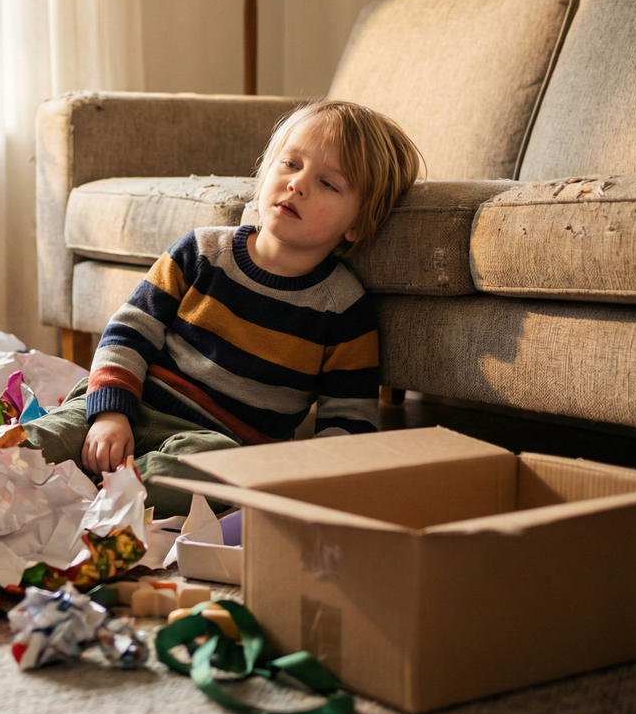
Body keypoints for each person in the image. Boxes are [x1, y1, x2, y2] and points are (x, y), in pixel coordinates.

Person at [22, 99, 423, 516]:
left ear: (356, 224)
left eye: (328, 184)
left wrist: (315, 491)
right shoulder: (201, 251)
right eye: (289, 164)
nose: (297, 184)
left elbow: (348, 424)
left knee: (218, 477)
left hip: (217, 445)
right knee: (37, 442)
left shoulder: (344, 310)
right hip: (133, 402)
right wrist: (109, 413)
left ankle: (96, 504)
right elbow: (126, 333)